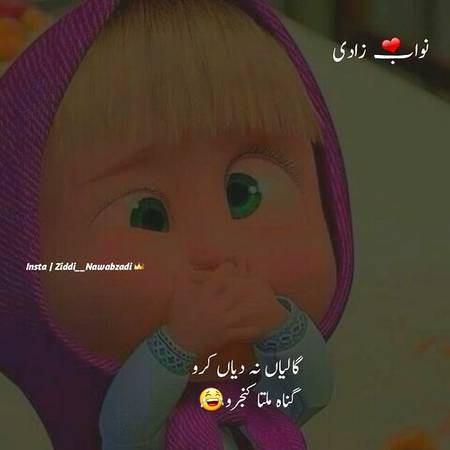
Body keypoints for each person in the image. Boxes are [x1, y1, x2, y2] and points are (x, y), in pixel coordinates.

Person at [0, 0, 353, 449]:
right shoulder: (152, 425)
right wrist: (177, 345)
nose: (216, 252)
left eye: (243, 193)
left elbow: (310, 394)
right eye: (146, 215)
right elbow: (124, 428)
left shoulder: (262, 403)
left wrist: (280, 326)